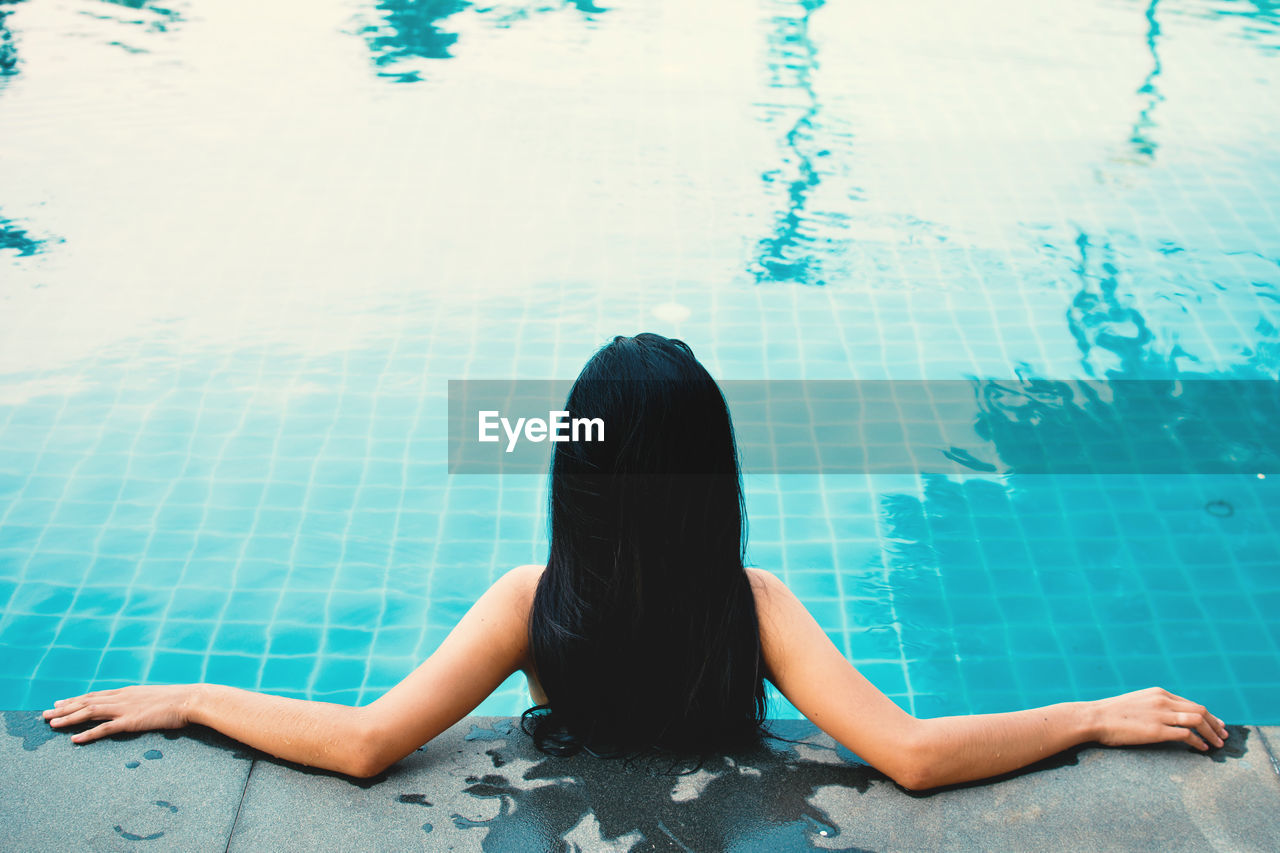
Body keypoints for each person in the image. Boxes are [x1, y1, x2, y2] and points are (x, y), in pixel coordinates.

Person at [42, 333, 1227, 790]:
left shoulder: (531, 601)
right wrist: (1089, 709)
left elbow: (364, 742)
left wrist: (192, 693)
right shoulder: (749, 603)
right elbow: (909, 755)